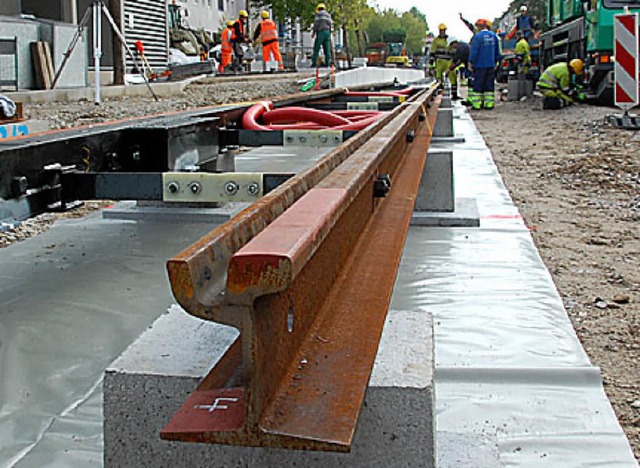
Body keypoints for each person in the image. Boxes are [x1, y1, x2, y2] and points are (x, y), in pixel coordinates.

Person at [468, 19, 501, 110]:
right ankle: (489, 104)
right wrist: (496, 61)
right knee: (489, 84)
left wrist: (471, 61)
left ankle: (477, 104)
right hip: (490, 64)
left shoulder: (477, 37)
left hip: (479, 65)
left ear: (480, 26)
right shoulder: (494, 36)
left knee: (478, 84)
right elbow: (497, 51)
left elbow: (474, 51)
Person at [311, 3, 332, 68]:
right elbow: (331, 24)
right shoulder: (328, 15)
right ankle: (327, 63)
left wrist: (314, 32)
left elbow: (316, 24)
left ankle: (314, 63)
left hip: (320, 32)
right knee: (327, 49)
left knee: (316, 48)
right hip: (327, 33)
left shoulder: (319, 15)